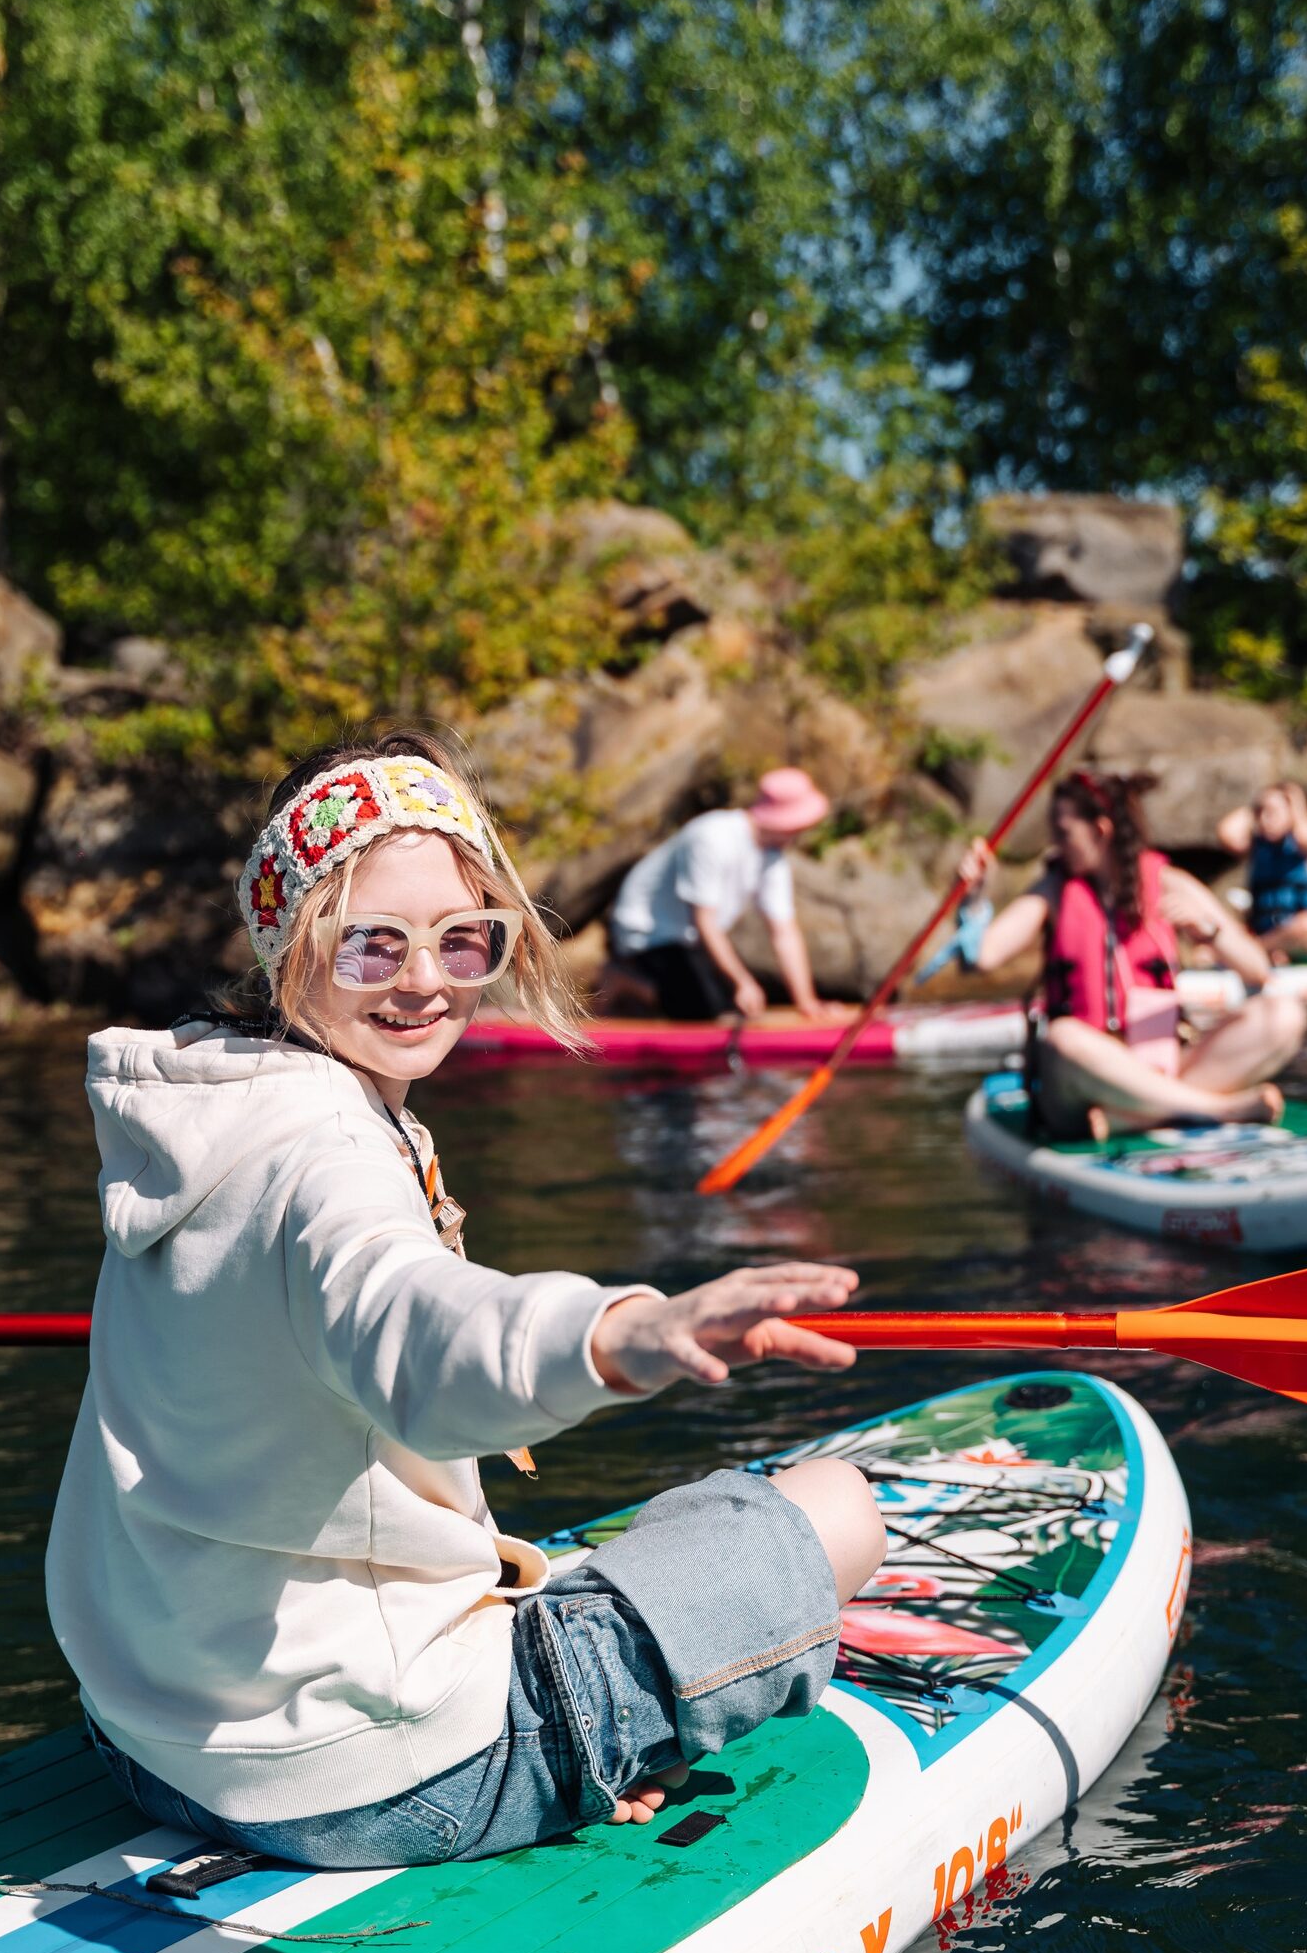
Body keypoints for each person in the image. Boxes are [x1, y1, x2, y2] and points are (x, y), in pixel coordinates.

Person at [46, 728, 880, 1872]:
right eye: (371, 947)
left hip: (146, 1733)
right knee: (833, 1506)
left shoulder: (197, 1118)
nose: (425, 979)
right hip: (379, 1777)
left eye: (461, 939)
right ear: (290, 947)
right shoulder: (329, 1153)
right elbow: (416, 1328)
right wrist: (629, 1328)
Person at [956, 767, 1306, 1140]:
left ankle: (1135, 1118)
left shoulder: (1168, 883)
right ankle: (1213, 1108)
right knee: (1062, 1038)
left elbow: (1258, 971)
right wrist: (975, 898)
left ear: (1100, 830)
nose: (1056, 843)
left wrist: (1210, 932)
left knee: (1284, 1014)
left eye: (1063, 832)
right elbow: (980, 958)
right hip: (1078, 1086)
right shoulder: (1054, 891)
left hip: (1161, 1068)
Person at [599, 768, 834, 1021]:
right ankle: (621, 980)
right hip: (647, 930)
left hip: (689, 938)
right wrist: (742, 981)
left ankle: (654, 995)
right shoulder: (712, 837)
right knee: (703, 1010)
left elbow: (784, 932)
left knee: (729, 1004)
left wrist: (806, 1001)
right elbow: (704, 920)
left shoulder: (773, 858)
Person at [1216, 781, 1307, 963]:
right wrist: (1255, 806)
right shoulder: (1257, 846)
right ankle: (1268, 953)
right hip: (1262, 929)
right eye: (1261, 812)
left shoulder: (1305, 846)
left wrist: (1296, 804)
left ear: (1292, 812)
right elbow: (1226, 833)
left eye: (1273, 812)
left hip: (1296, 938)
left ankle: (1256, 950)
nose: (1266, 818)